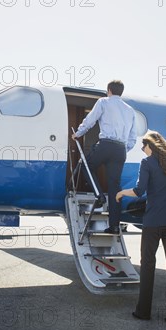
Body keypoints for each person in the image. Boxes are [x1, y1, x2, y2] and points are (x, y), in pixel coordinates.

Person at [116, 131, 166, 325]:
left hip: (153, 222)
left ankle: (143, 311)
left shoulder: (147, 163)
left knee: (147, 266)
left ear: (150, 146)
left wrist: (121, 192)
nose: (142, 150)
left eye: (143, 146)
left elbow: (139, 190)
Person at [72, 80, 136, 234]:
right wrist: (123, 149)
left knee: (85, 166)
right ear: (121, 91)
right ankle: (114, 226)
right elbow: (132, 138)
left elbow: (90, 120)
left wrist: (78, 134)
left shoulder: (103, 102)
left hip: (106, 144)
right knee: (115, 187)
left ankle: (98, 195)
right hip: (121, 149)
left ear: (109, 90)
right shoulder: (130, 110)